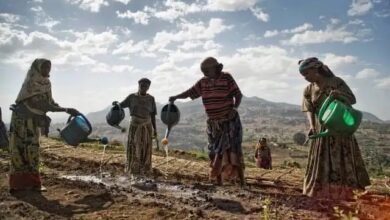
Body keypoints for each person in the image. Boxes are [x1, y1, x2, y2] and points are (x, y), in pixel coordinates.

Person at [299, 57, 370, 200]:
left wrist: (340, 95)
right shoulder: (308, 89)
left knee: (342, 156)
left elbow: (352, 99)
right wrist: (312, 126)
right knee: (321, 158)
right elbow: (310, 109)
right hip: (322, 127)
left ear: (315, 70)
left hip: (340, 125)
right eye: (303, 75)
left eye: (307, 74)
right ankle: (322, 190)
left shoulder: (336, 82)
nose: (305, 78)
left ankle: (348, 190)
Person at [169, 57, 245, 187]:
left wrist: (234, 108)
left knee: (234, 151)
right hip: (214, 124)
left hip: (230, 122)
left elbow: (238, 95)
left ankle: (242, 181)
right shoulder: (203, 82)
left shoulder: (226, 78)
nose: (204, 73)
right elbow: (190, 92)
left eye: (206, 70)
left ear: (216, 69)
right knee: (215, 152)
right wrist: (176, 97)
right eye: (203, 71)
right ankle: (219, 181)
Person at [9, 58, 80, 192]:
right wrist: (66, 109)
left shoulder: (47, 83)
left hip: (33, 120)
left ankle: (34, 184)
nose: (47, 70)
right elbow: (40, 104)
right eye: (45, 67)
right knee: (19, 149)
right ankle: (17, 185)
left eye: (49, 67)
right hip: (22, 120)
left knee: (33, 149)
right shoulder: (31, 82)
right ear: (37, 68)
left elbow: (50, 102)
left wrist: (64, 109)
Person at [119, 78, 157, 176]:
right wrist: (116, 105)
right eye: (142, 85)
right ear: (138, 85)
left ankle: (145, 169)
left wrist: (155, 129)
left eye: (146, 86)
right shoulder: (132, 97)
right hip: (135, 126)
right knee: (134, 146)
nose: (144, 87)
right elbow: (121, 105)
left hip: (147, 127)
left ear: (149, 87)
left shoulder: (151, 99)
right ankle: (133, 169)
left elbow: (152, 115)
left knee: (146, 147)